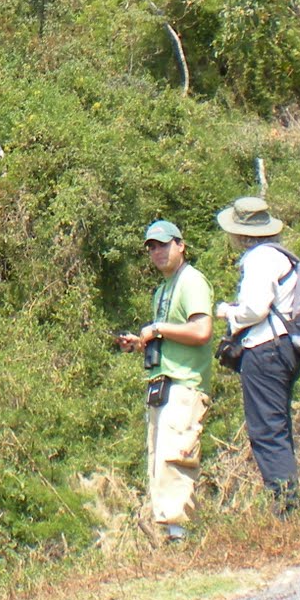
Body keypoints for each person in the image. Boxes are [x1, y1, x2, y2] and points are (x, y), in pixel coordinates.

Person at [118, 219, 213, 543]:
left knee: (176, 460)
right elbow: (172, 336)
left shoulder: (192, 282)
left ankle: (182, 540)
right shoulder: (162, 289)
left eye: (163, 244)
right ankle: (174, 539)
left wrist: (157, 329)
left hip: (184, 386)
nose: (157, 251)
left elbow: (201, 331)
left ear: (180, 245)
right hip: (161, 386)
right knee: (159, 464)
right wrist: (141, 342)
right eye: (152, 247)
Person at [214, 196, 300, 514]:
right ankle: (290, 503)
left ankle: (286, 509)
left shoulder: (259, 259)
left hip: (265, 350)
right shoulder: (282, 255)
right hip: (286, 348)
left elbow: (254, 308)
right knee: (278, 427)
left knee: (266, 430)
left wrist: (227, 312)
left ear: (241, 233)